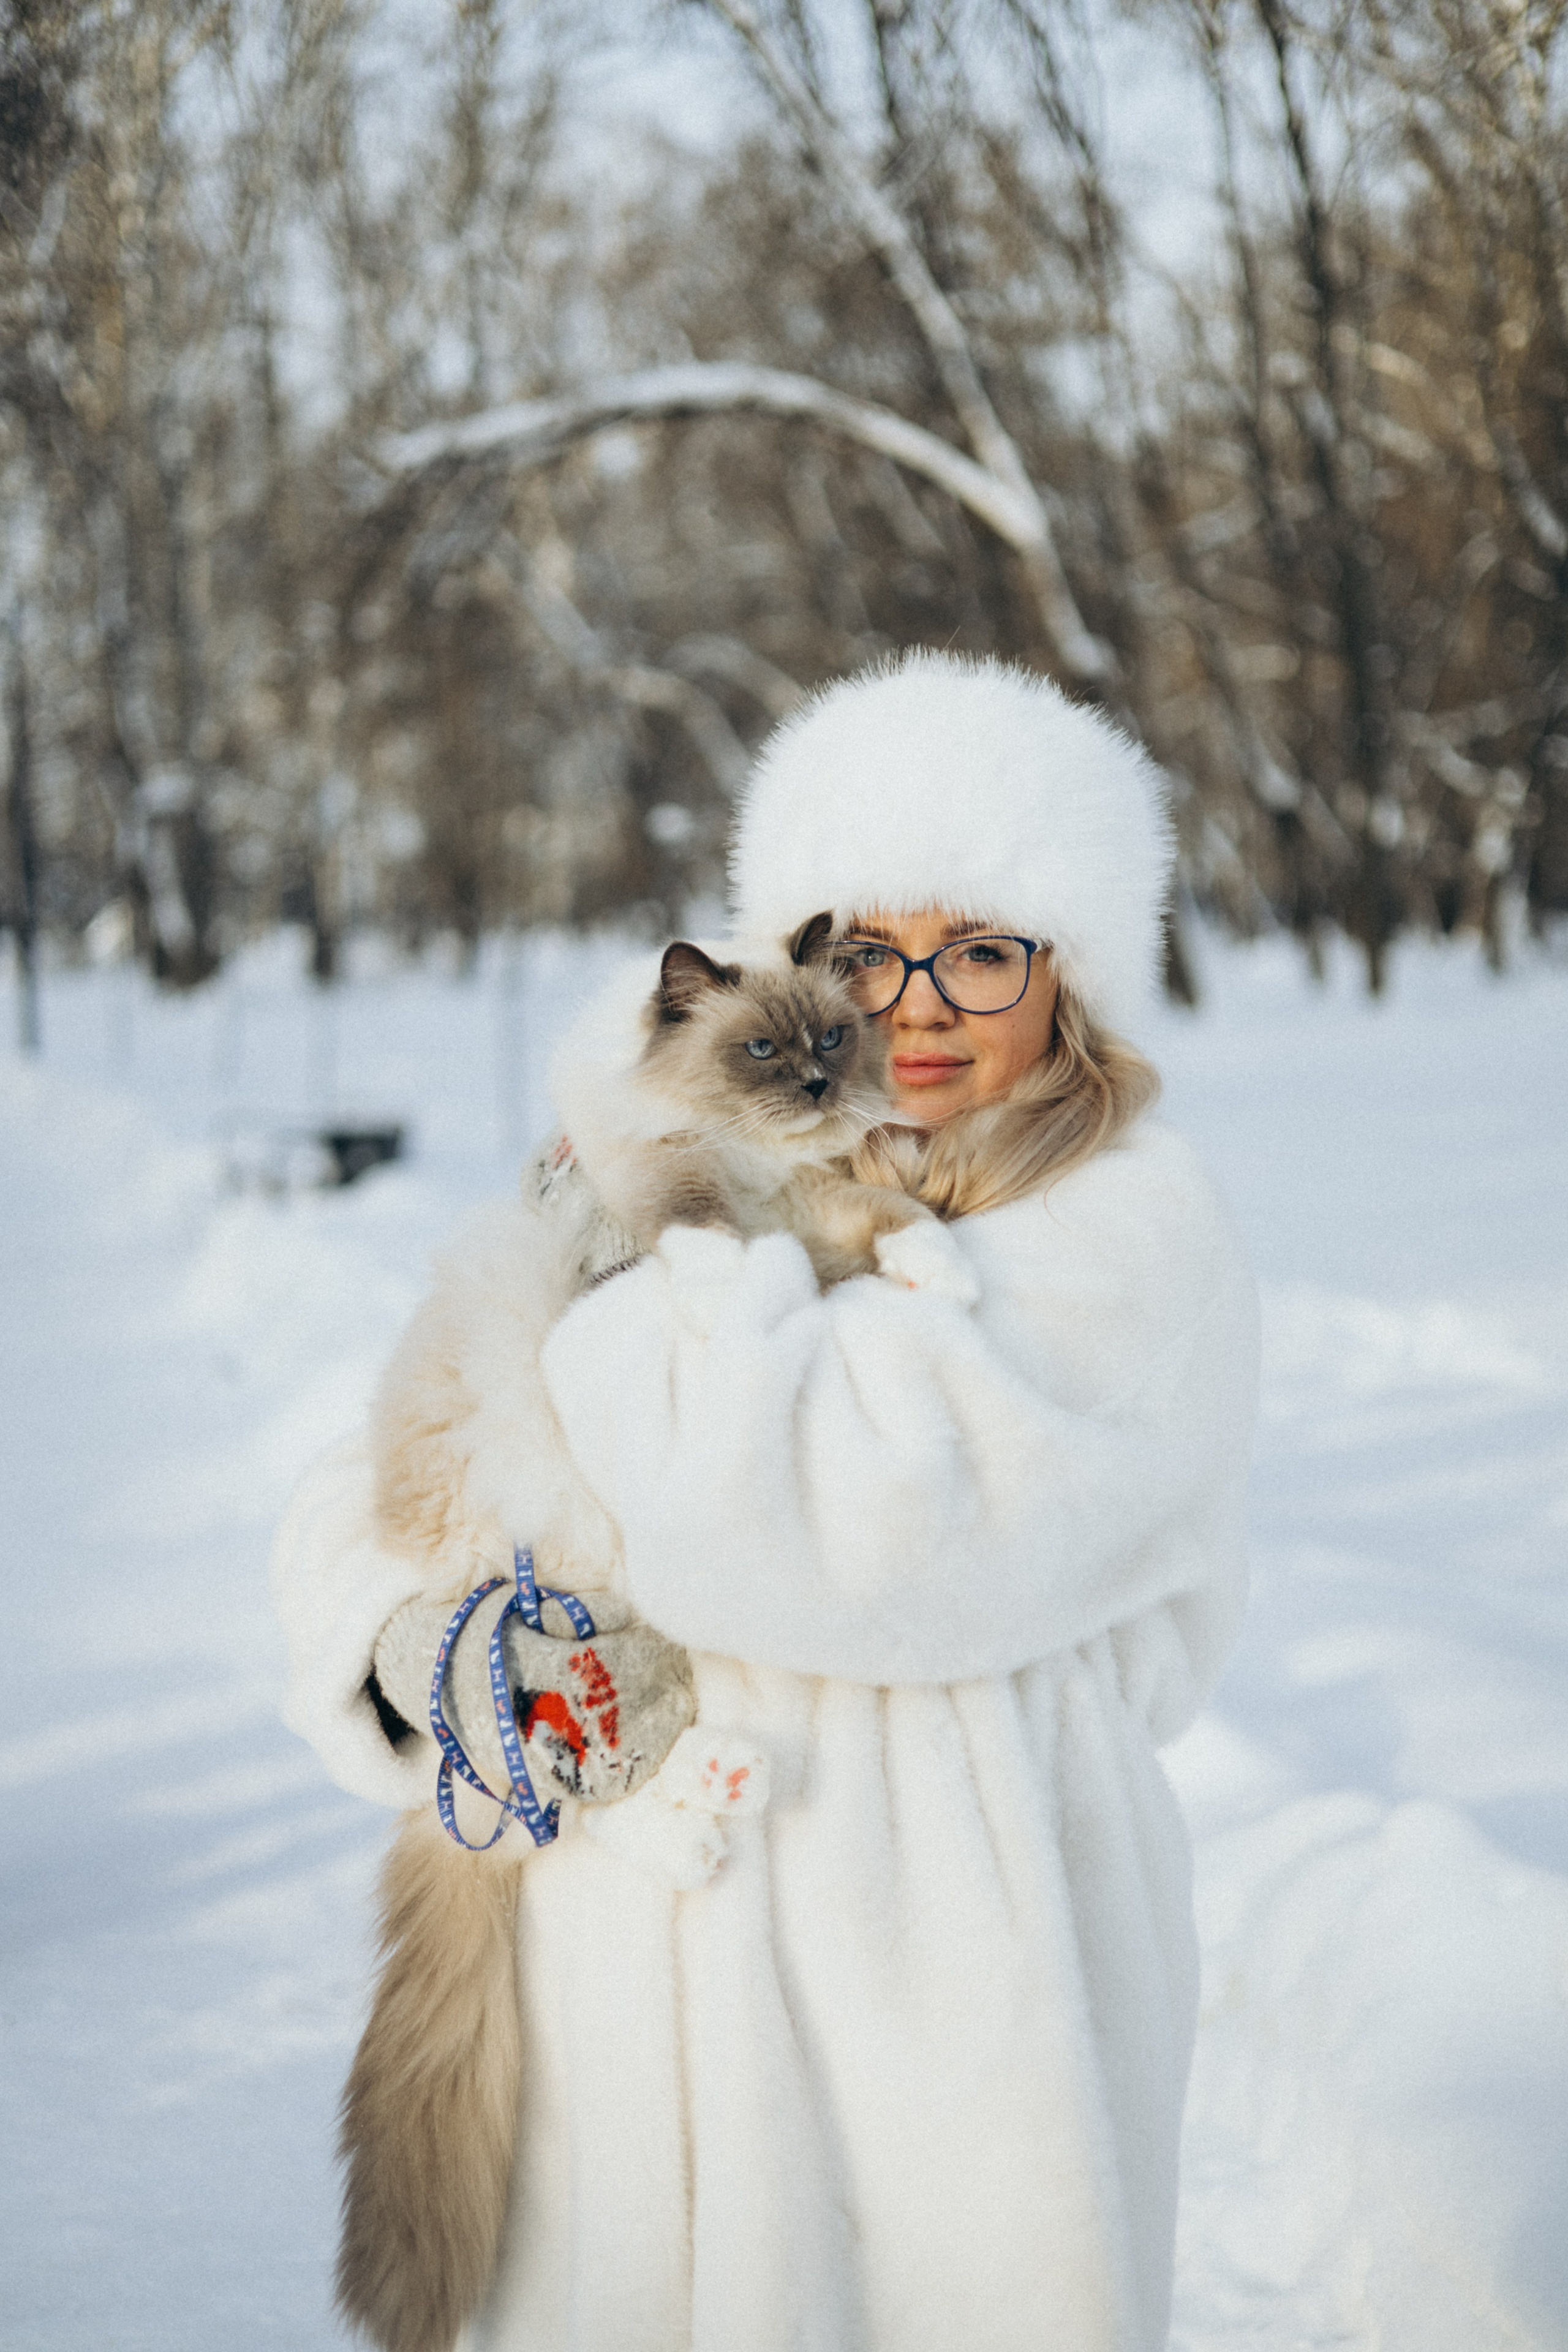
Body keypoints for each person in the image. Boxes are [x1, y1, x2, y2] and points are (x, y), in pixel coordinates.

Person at [271, 650, 1259, 2352]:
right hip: (619, 1971)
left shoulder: (1124, 1238)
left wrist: (634, 1218)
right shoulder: (752, 1149)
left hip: (931, 1978)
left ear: (1073, 975)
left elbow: (813, 1528)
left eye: (985, 950)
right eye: (872, 951)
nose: (924, 1003)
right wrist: (415, 1639)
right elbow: (390, 1451)